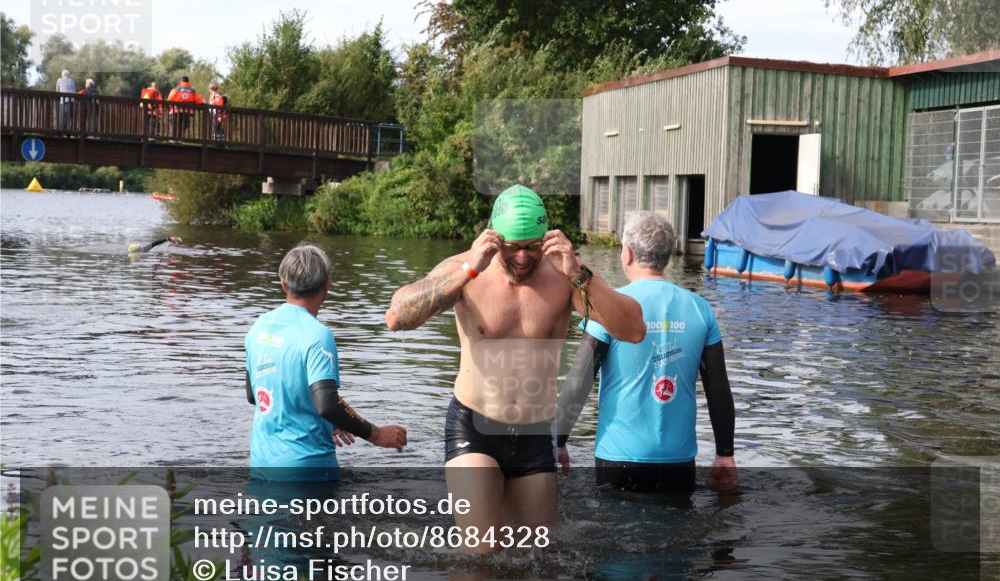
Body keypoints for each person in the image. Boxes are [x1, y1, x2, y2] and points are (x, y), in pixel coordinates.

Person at [385, 184, 645, 551]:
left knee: (537, 562)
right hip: (474, 426)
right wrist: (468, 271)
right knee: (481, 553)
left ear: (546, 239)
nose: (523, 257)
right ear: (494, 238)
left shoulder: (566, 275)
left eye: (532, 247)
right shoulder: (465, 269)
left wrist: (578, 273)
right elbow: (397, 318)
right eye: (512, 247)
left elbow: (633, 330)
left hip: (535, 432)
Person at [555, 211, 737, 496]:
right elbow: (718, 389)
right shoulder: (700, 309)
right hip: (679, 460)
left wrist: (558, 440)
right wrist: (725, 454)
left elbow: (580, 378)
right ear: (668, 255)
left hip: (619, 457)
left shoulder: (610, 308)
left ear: (627, 253)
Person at [247, 243, 407, 481]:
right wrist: (376, 434)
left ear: (284, 284)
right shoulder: (317, 335)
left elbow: (255, 395)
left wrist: (331, 421)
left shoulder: (259, 327)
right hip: (307, 469)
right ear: (326, 285)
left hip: (261, 466)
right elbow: (327, 404)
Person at [166, 76, 204, 140]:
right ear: (188, 82)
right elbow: (199, 101)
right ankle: (179, 139)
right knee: (183, 125)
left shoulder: (176, 89)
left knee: (174, 125)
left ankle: (173, 139)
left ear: (181, 81)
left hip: (175, 111)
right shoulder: (192, 90)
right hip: (187, 112)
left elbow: (169, 99)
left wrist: (168, 107)